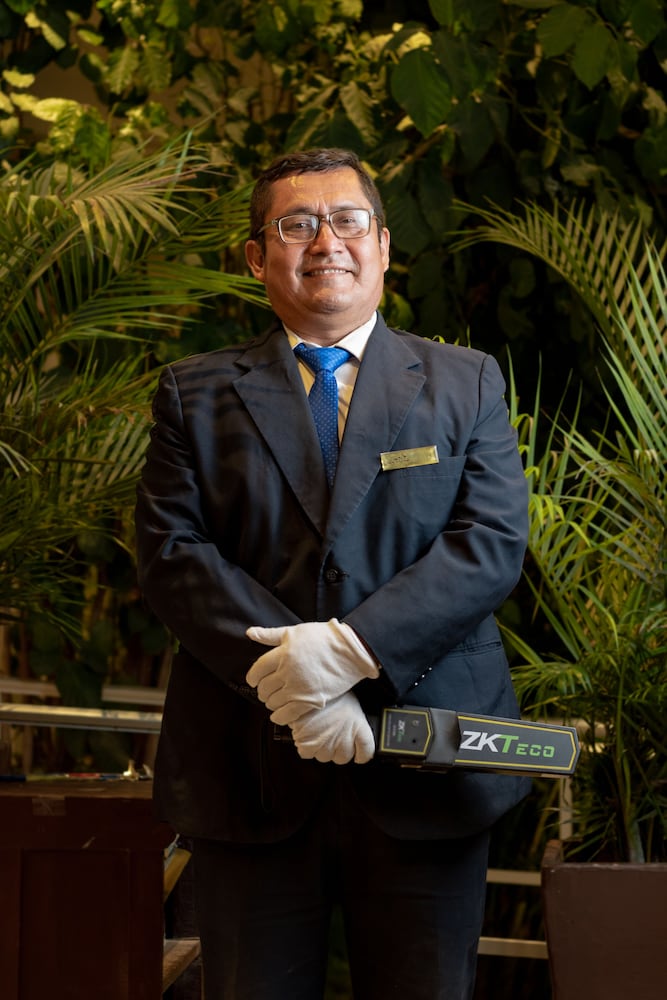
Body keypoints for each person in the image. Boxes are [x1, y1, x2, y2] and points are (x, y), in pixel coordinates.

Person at [134, 147, 530, 1000]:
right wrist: (298, 688)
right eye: (296, 225)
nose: (325, 242)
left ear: (382, 245)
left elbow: (489, 543)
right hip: (247, 769)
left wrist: (350, 654)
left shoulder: (465, 383)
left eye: (347, 221)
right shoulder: (193, 392)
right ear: (256, 256)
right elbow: (173, 553)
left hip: (427, 768)